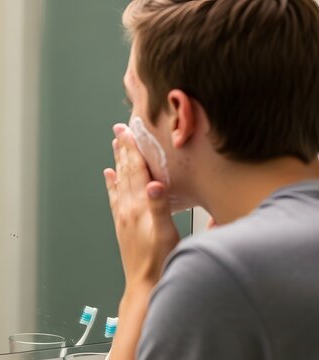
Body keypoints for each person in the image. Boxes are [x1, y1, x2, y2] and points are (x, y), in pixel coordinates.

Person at [103, 0, 319, 359]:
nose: (129, 120)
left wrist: (144, 284)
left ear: (179, 116)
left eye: (132, 101)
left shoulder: (215, 274)